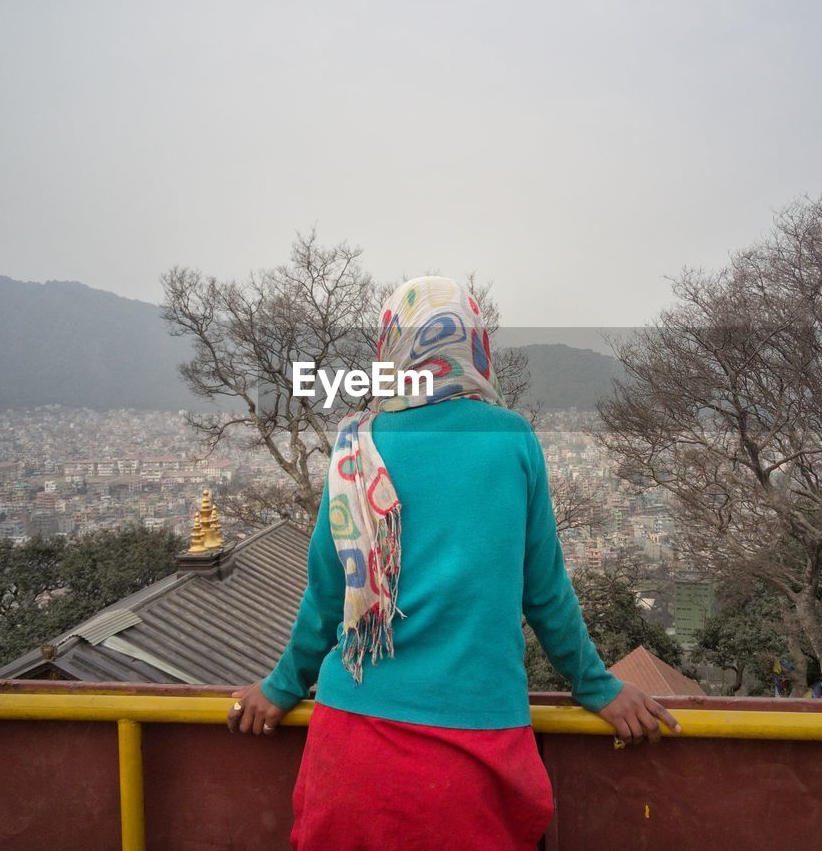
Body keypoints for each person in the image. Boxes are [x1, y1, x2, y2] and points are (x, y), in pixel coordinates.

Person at [228, 275, 680, 850]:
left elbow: (327, 596)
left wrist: (281, 686)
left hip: (351, 751)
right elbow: (544, 594)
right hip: (474, 751)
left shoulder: (354, 447)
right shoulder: (511, 439)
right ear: (475, 346)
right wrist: (598, 687)